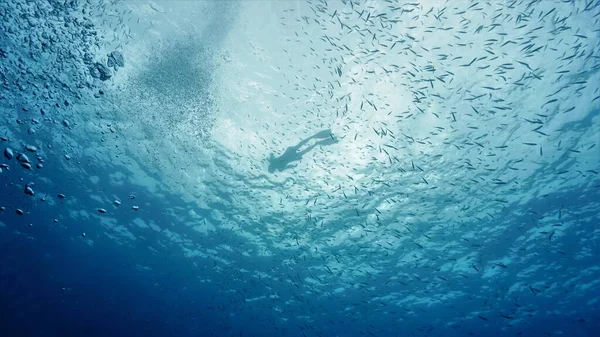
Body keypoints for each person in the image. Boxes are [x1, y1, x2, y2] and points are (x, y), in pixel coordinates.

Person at [267, 129, 337, 173]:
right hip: (289, 152)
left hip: (293, 156)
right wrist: (269, 157)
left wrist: (293, 166)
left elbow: (289, 166)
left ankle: (316, 143)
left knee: (305, 149)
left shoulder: (280, 168)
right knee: (302, 144)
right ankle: (314, 138)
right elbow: (271, 154)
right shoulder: (273, 162)